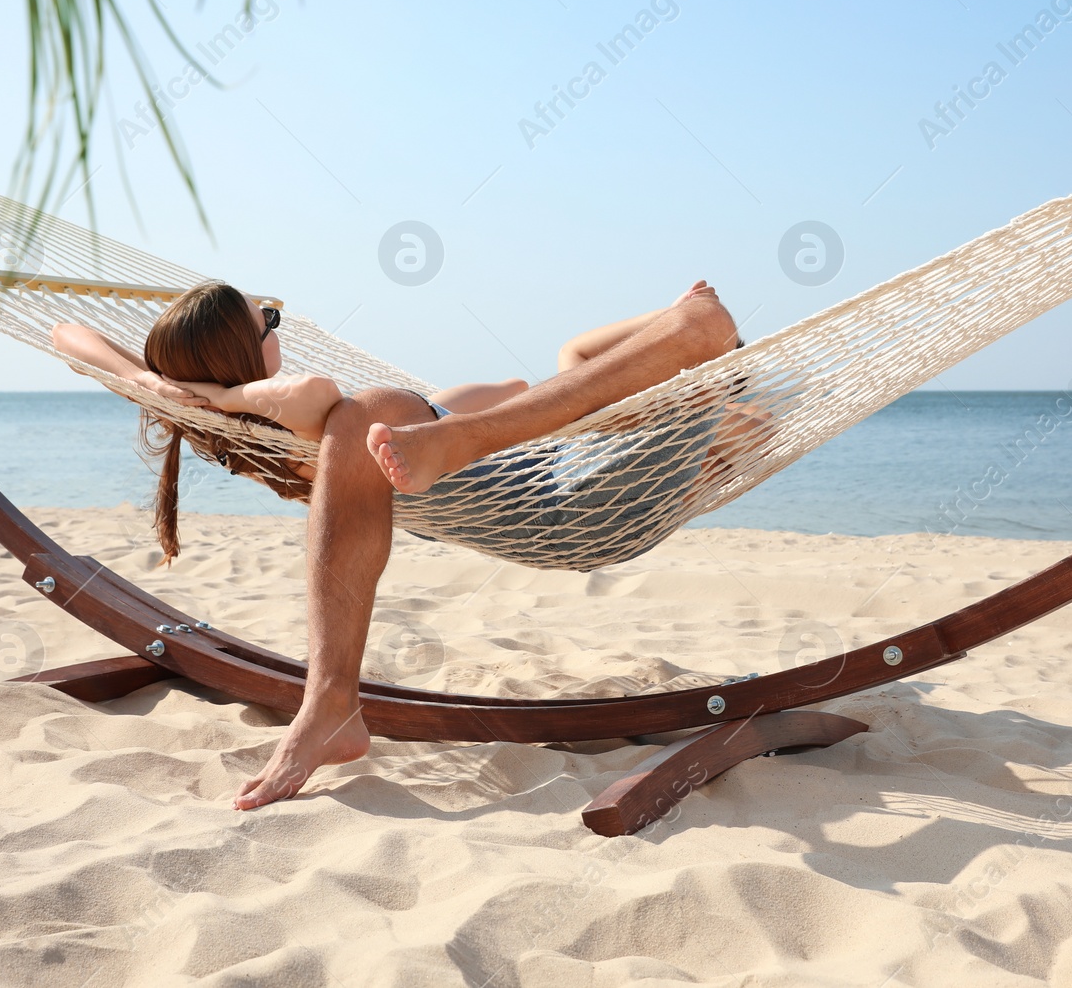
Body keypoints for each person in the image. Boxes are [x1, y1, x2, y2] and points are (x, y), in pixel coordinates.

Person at [51, 279, 743, 808]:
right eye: (267, 320)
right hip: (578, 496)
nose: (275, 321)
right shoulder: (311, 422)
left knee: (576, 359)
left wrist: (149, 383)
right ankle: (330, 697)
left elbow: (66, 330)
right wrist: (226, 398)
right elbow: (318, 391)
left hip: (573, 469)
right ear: (244, 354)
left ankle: (732, 408)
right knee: (369, 411)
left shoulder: (267, 441)